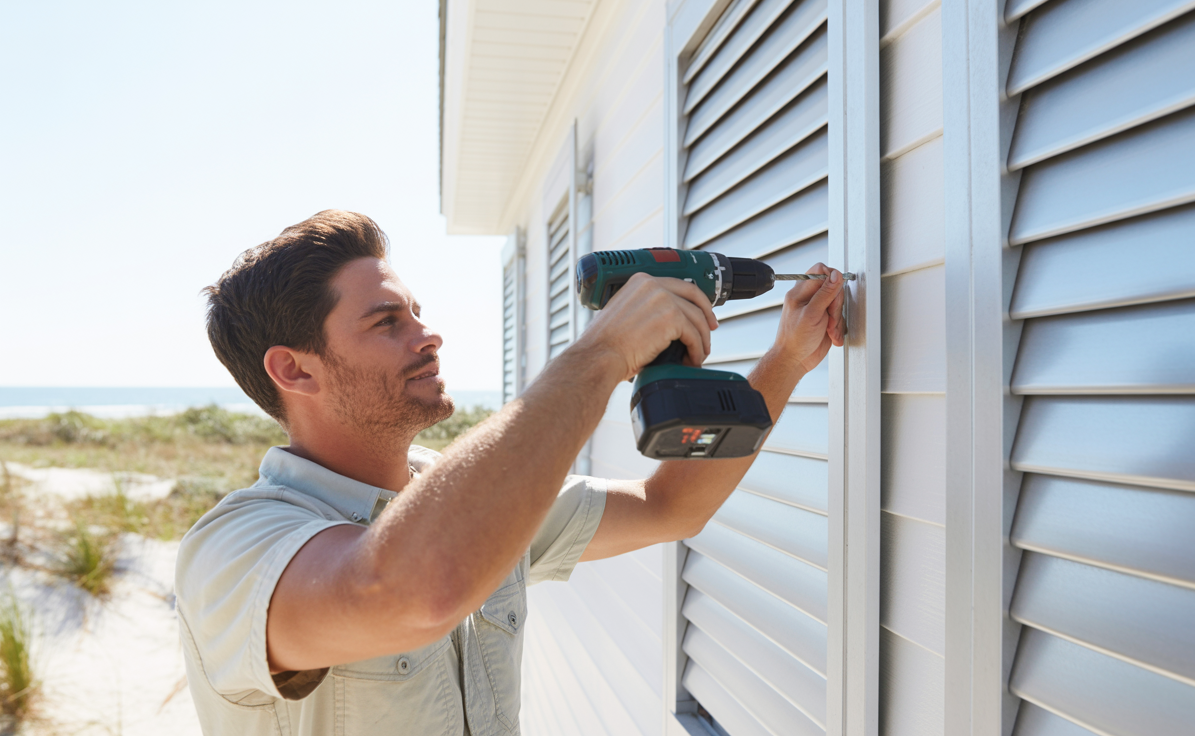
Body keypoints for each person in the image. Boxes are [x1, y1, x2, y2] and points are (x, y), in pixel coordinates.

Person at [176, 210, 845, 735]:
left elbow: (669, 505)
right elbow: (410, 589)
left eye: (415, 311)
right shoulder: (235, 549)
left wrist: (786, 360)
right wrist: (605, 350)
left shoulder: (469, 498)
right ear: (295, 370)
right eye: (386, 322)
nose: (427, 334)